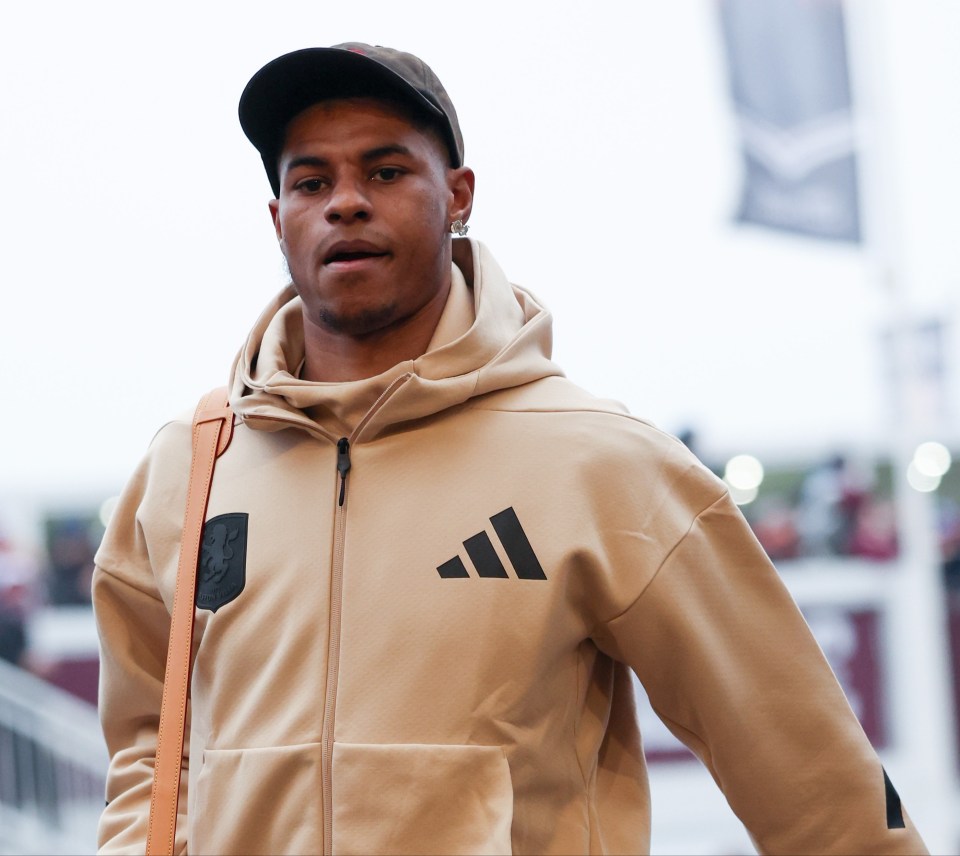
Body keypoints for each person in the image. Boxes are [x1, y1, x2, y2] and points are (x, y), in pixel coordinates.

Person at [93, 43, 927, 855]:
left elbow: (807, 773)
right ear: (278, 220)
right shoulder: (187, 471)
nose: (344, 202)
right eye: (311, 181)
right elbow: (147, 755)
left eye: (385, 172)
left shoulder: (599, 463)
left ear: (457, 195)